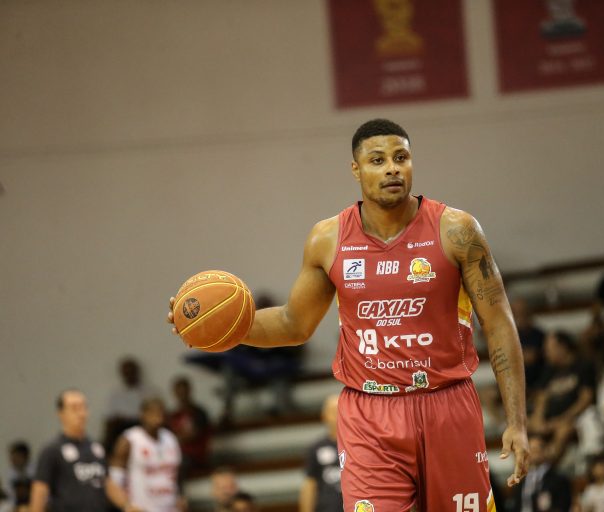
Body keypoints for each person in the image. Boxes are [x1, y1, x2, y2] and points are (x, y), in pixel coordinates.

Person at [168, 118, 530, 510]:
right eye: (377, 160)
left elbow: (498, 323)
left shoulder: (457, 231)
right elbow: (293, 323)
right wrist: (218, 327)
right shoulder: (328, 239)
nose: (392, 168)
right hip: (369, 415)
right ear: (356, 169)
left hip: (446, 403)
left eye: (401, 157)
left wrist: (517, 421)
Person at [29, 389, 131, 512]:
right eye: (74, 408)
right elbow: (40, 489)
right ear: (61, 413)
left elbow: (107, 482)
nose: (81, 413)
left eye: (83, 407)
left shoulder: (96, 448)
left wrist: (127, 506)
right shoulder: (52, 450)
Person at [529, 331, 598, 462]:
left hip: (574, 418)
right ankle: (524, 467)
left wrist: (562, 419)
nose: (546, 353)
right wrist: (538, 418)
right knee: (521, 427)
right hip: (550, 419)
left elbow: (586, 399)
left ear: (562, 347)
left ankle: (548, 465)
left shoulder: (583, 366)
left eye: (549, 349)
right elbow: (541, 396)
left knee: (563, 430)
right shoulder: (549, 369)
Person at [110, 397, 184, 511]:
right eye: (152, 413)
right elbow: (114, 480)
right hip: (141, 508)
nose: (157, 418)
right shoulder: (129, 440)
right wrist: (126, 505)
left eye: (160, 413)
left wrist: (180, 496)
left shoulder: (170, 438)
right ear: (142, 414)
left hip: (169, 507)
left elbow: (177, 474)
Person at [502, 435, 571, 512]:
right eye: (530, 449)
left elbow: (562, 507)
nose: (533, 453)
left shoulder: (559, 480)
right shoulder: (520, 480)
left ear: (545, 451)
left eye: (536, 449)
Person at [104, 357, 159, 454]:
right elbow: (110, 416)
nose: (129, 375)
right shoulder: (116, 393)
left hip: (141, 424)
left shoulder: (149, 391)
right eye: (126, 372)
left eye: (131, 371)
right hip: (122, 427)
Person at [299, 395, 342, 512]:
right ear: (324, 416)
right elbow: (309, 484)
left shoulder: (360, 445)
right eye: (333, 411)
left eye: (341, 410)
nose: (338, 415)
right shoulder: (316, 448)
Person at [168, 375, 211, 478]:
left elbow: (194, 435)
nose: (182, 395)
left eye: (184, 391)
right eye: (179, 392)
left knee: (180, 462)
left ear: (189, 391)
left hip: (196, 456)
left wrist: (176, 438)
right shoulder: (172, 416)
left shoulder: (199, 413)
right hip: (176, 454)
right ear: (175, 393)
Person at [5, 441, 34, 507]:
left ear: (24, 457)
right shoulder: (12, 473)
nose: (12, 461)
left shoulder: (35, 471)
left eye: (15, 457)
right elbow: (10, 495)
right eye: (11, 458)